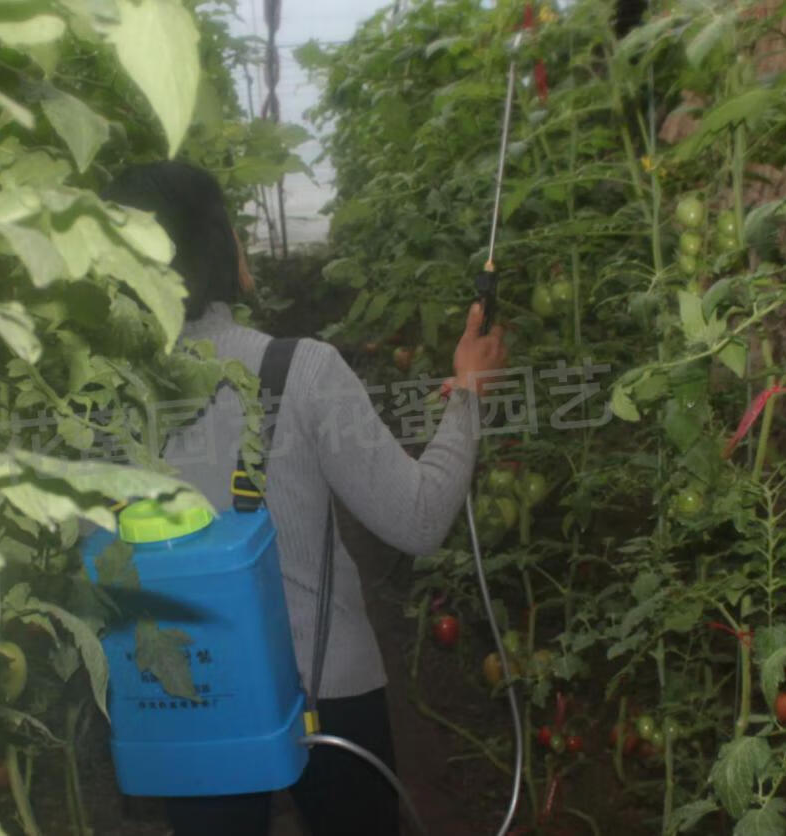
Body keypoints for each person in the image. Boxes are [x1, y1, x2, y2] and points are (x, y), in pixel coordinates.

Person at [101, 161, 506, 836]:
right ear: (217, 244)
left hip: (187, 696)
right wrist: (467, 395)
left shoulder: (96, 401)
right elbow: (418, 519)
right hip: (327, 694)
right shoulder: (300, 371)